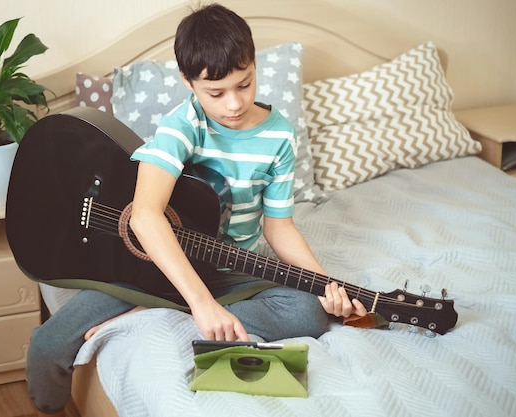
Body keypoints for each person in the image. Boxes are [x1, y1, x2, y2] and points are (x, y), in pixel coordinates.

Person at [27, 4, 366, 417]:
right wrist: (203, 306)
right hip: (153, 264)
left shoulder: (279, 136)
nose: (234, 104)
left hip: (228, 263)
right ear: (188, 82)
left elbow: (279, 228)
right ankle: (157, 304)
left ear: (254, 63)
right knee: (46, 345)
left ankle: (156, 308)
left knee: (309, 311)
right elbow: (146, 216)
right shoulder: (180, 127)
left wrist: (325, 283)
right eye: (216, 93)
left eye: (245, 84)